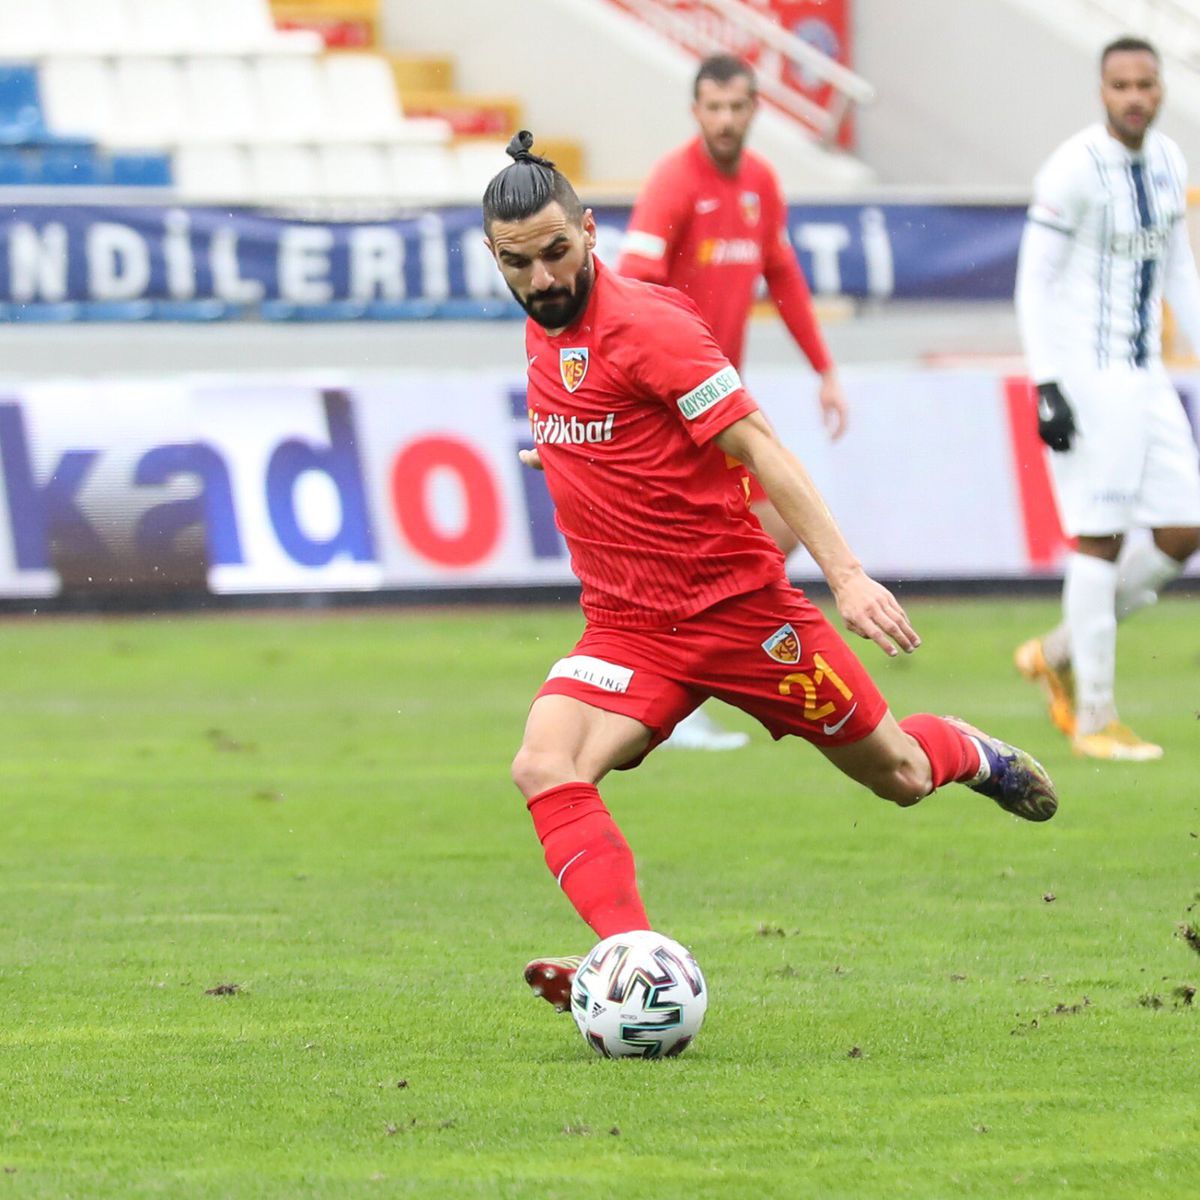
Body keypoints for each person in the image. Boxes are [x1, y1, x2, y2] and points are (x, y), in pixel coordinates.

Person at [482, 132, 1058, 1014]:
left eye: (558, 252)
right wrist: (561, 455)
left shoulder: (652, 326)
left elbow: (760, 446)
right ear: (497, 258)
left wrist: (848, 576)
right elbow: (610, 425)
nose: (544, 279)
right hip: (629, 629)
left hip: (744, 616)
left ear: (592, 232)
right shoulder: (541, 326)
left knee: (897, 775)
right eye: (519, 264)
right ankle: (630, 960)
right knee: (545, 764)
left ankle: (967, 750)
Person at [615, 53, 849, 753]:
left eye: (736, 107)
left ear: (754, 110)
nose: (725, 120)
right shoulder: (672, 183)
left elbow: (782, 275)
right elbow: (630, 288)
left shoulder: (759, 183)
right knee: (741, 540)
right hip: (669, 403)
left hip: (720, 405)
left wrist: (825, 370)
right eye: (712, 108)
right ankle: (679, 687)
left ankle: (684, 681)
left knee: (763, 538)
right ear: (696, 111)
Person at [1013, 35, 1200, 762]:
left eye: (1145, 84)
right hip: (1087, 380)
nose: (1133, 97)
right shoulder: (1072, 168)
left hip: (1145, 374)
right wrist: (1047, 385)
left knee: (1184, 530)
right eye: (1120, 85)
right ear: (1102, 91)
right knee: (1102, 536)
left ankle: (1058, 649)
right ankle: (1094, 716)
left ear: (1159, 90)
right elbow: (1035, 280)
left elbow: (1178, 266)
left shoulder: (1168, 160)